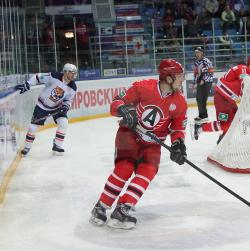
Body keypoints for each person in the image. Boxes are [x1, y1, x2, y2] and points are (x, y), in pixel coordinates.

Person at [90, 59, 187, 230]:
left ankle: (123, 208)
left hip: (152, 143)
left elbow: (178, 128)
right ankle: (101, 206)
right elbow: (116, 103)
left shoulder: (179, 102)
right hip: (129, 134)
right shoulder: (143, 87)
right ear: (169, 78)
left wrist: (178, 145)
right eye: (179, 76)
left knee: (148, 170)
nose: (183, 80)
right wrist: (123, 110)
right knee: (124, 168)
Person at [190, 56, 250, 144]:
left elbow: (243, 87)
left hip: (228, 100)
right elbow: (244, 85)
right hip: (222, 99)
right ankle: (200, 127)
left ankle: (223, 137)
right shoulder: (244, 69)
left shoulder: (244, 70)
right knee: (224, 124)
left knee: (236, 119)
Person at [16, 63, 78, 156]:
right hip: (42, 106)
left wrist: (65, 107)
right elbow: (37, 77)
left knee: (64, 123)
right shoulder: (54, 76)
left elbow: (68, 100)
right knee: (33, 127)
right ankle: (27, 148)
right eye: (72, 73)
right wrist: (28, 84)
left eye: (75, 73)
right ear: (65, 72)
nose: (74, 75)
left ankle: (57, 145)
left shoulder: (73, 87)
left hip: (57, 107)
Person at [193, 46, 214, 124]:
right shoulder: (196, 62)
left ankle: (204, 116)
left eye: (199, 52)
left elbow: (211, 71)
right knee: (198, 99)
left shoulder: (206, 61)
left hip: (206, 82)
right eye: (196, 52)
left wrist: (204, 80)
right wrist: (194, 82)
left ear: (202, 53)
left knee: (202, 99)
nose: (197, 54)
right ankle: (201, 115)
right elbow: (196, 73)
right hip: (200, 81)